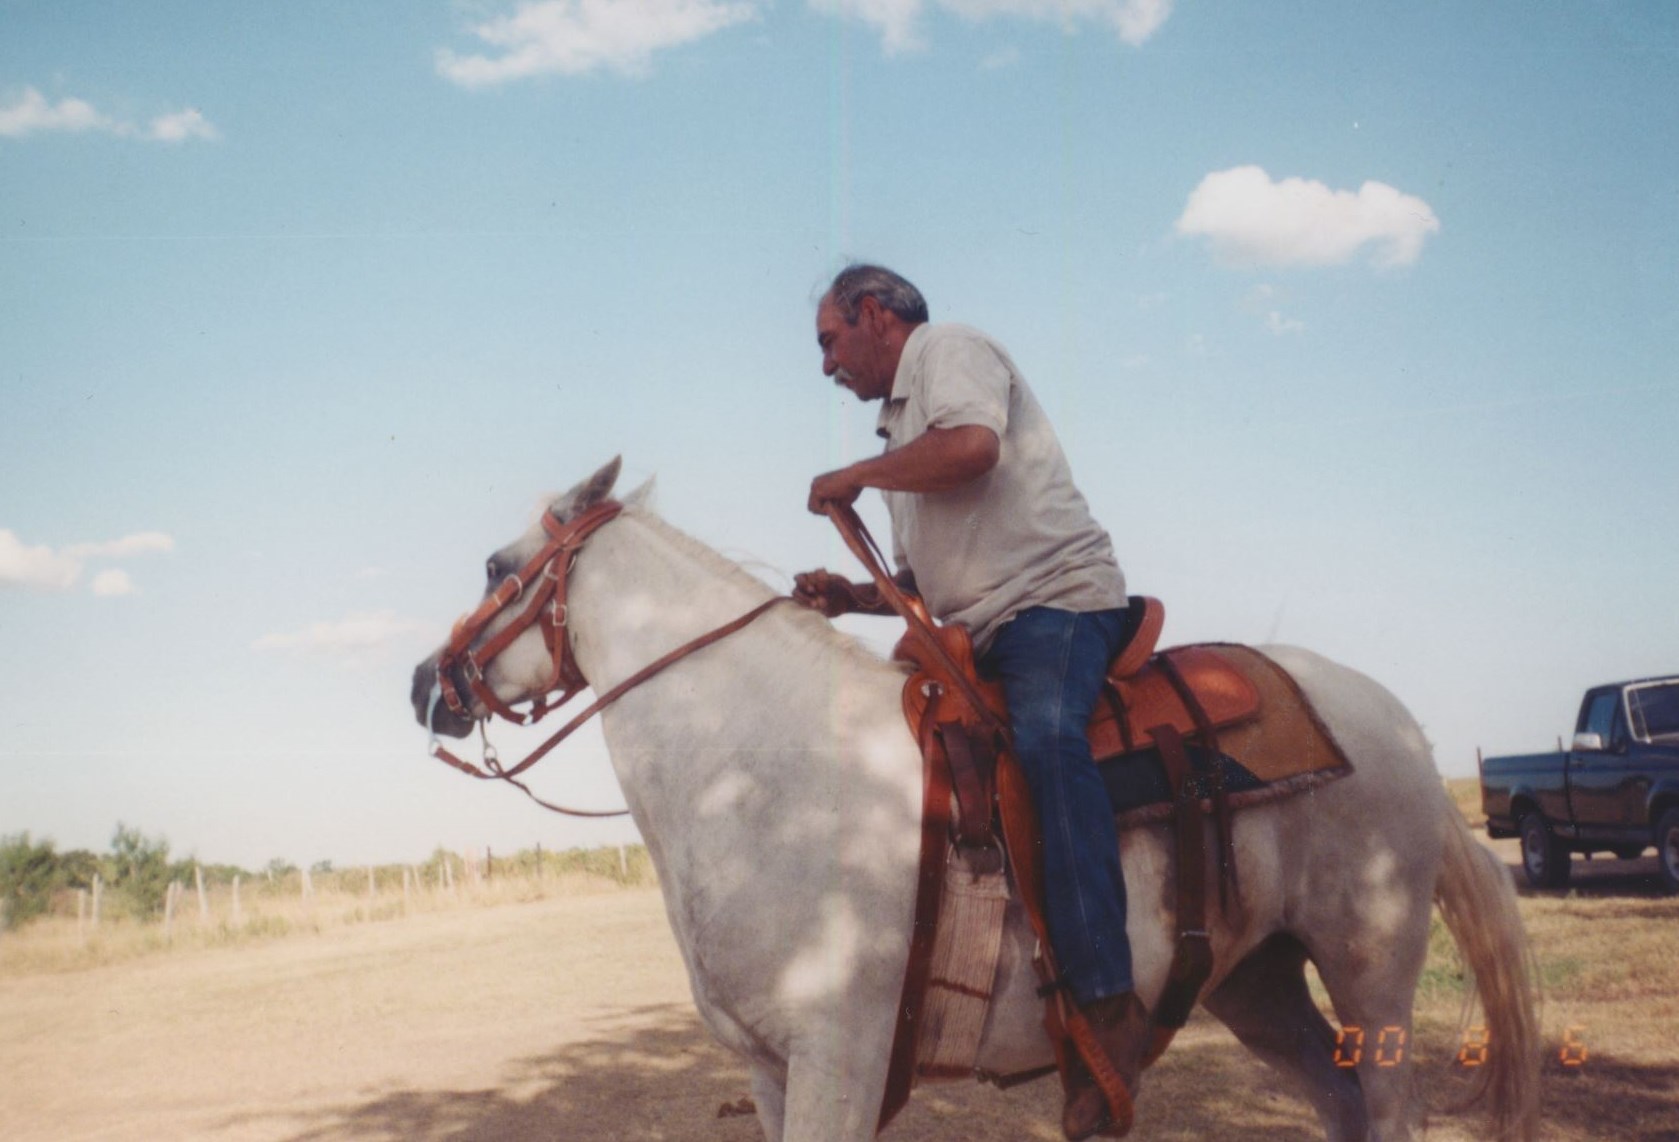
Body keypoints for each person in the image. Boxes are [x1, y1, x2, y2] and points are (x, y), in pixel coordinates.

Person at [794, 264, 1150, 1140]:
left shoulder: (947, 352)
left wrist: (854, 474)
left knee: (1044, 738)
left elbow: (975, 450)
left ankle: (1104, 1002)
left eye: (829, 341)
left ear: (875, 316)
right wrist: (850, 595)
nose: (825, 366)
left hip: (1055, 604)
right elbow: (923, 580)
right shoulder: (897, 423)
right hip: (982, 623)